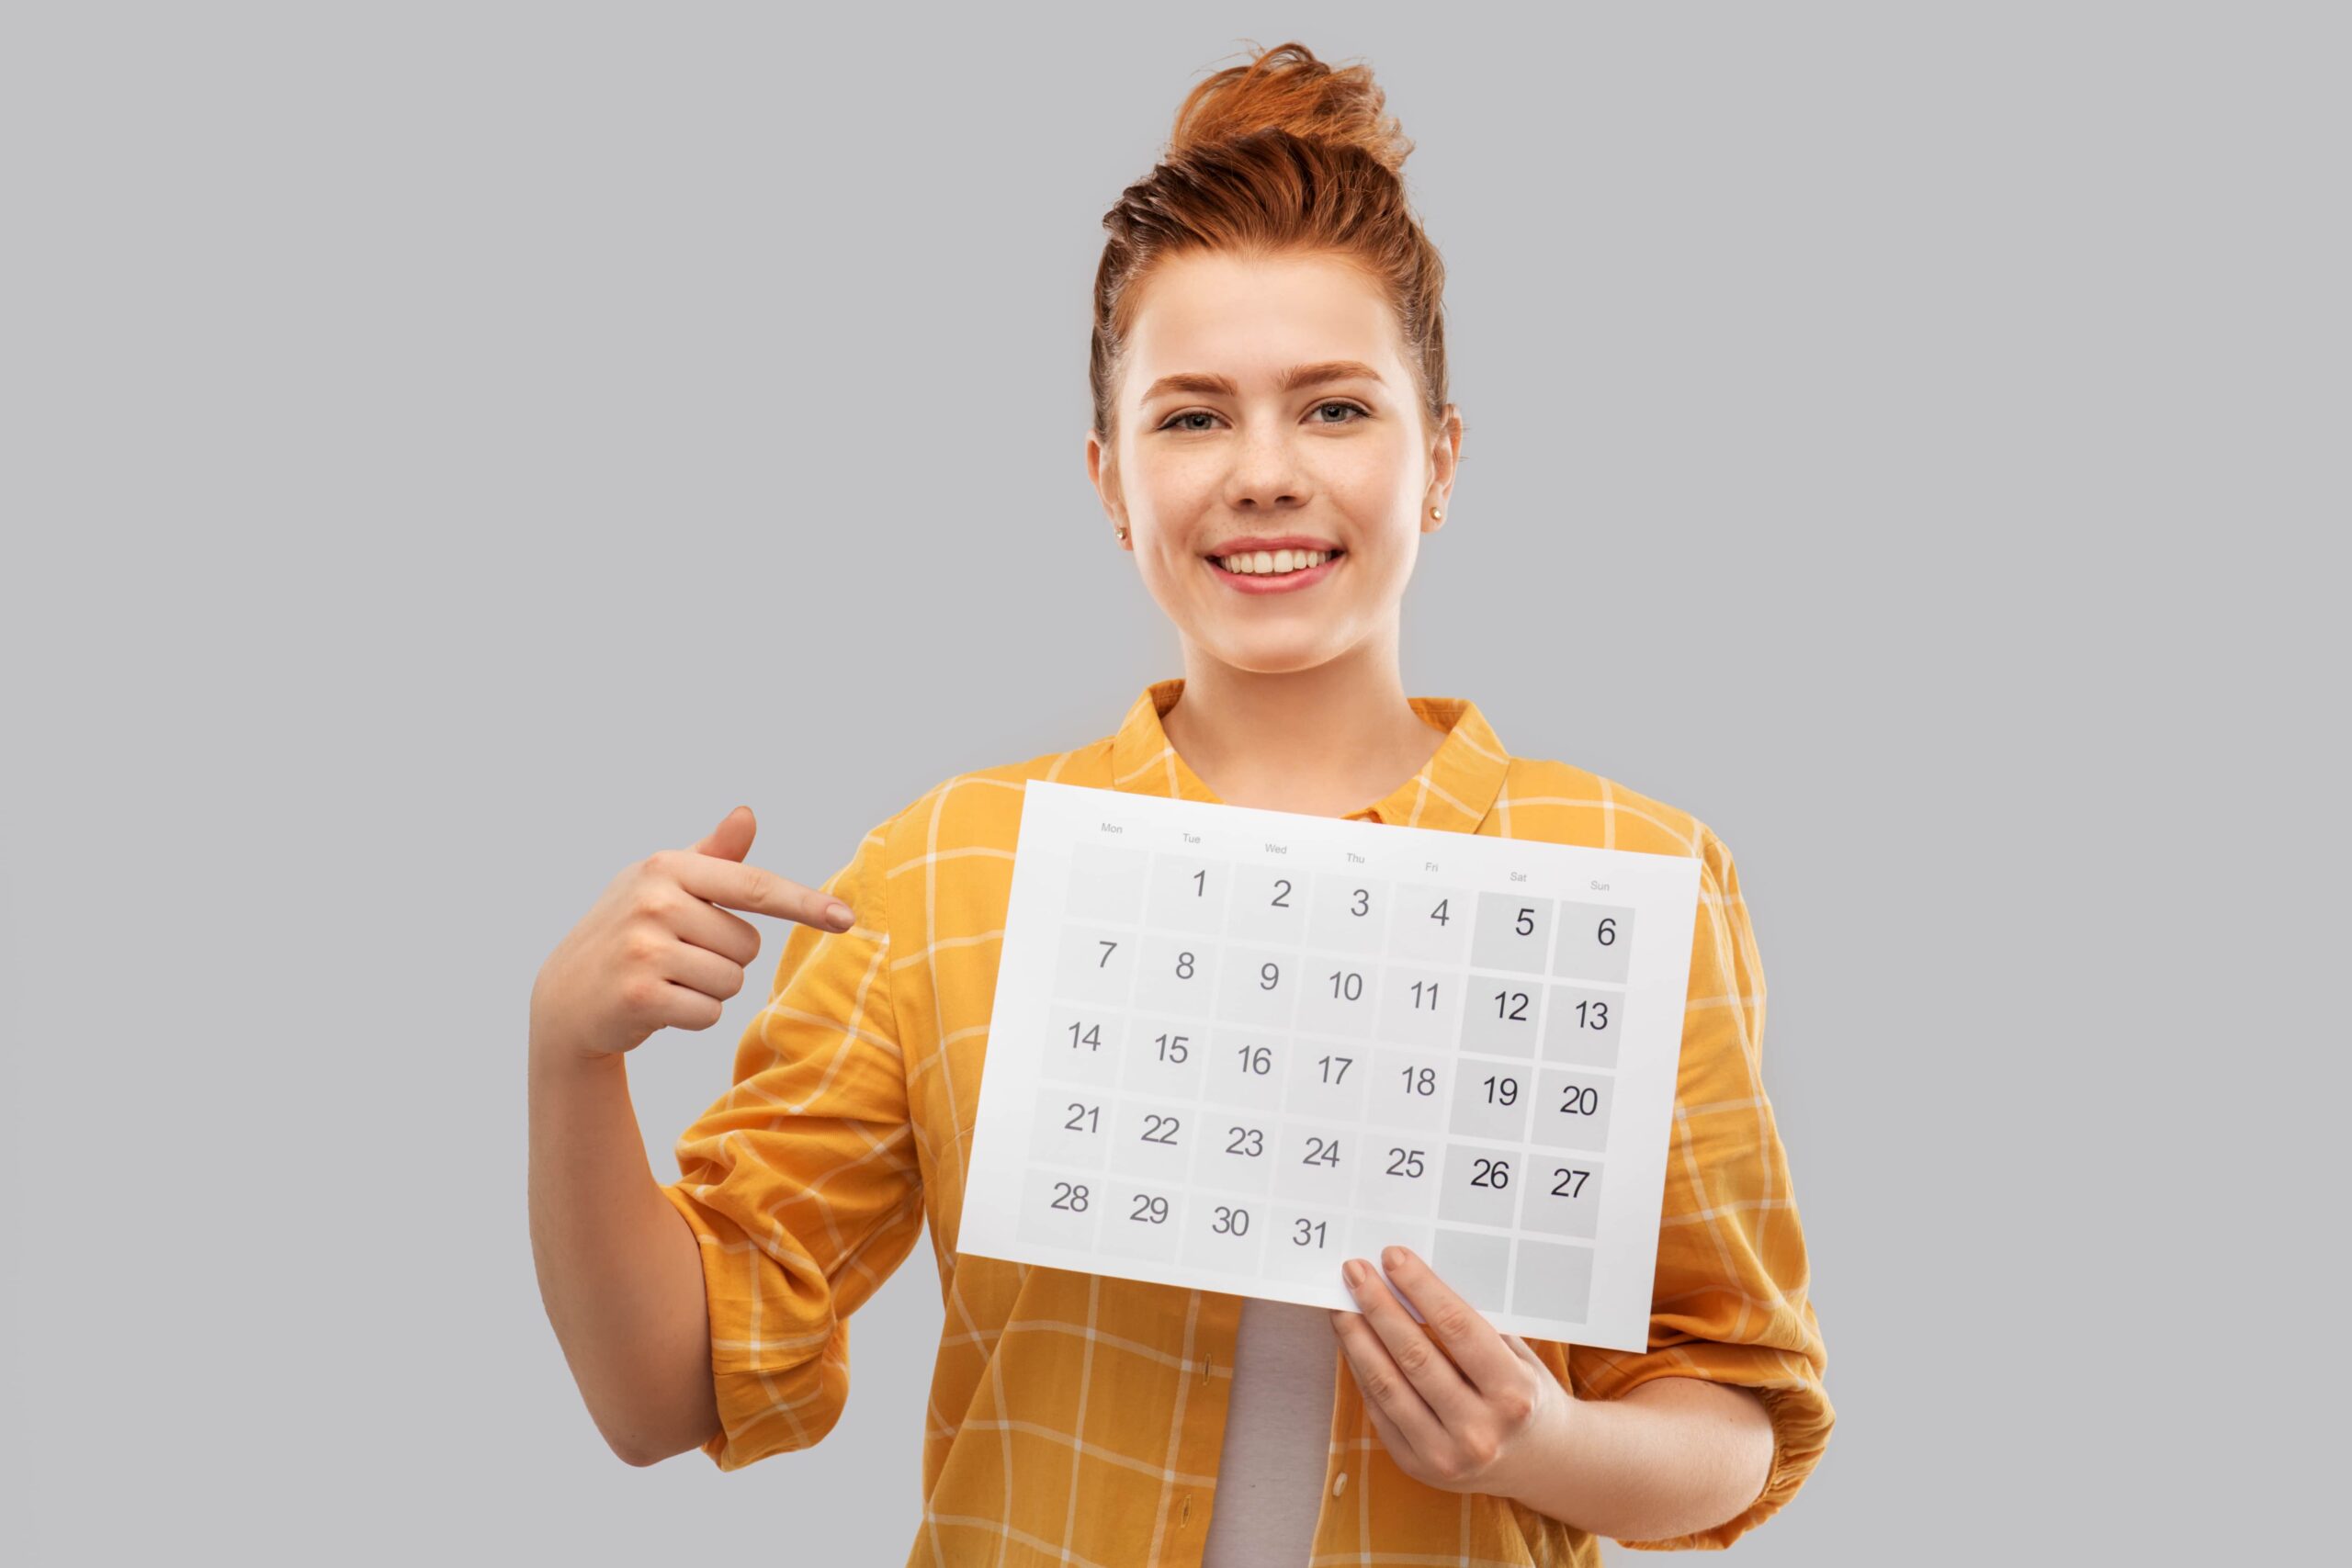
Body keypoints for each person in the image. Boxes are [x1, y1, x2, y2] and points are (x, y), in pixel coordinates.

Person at [527, 39, 1833, 1567]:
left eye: (1336, 409)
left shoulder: (1633, 875)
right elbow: (663, 1392)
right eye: (1193, 416)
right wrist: (570, 1060)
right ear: (1107, 476)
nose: (1264, 473)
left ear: (1442, 461)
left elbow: (1735, 1414)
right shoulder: (950, 869)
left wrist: (1545, 1443)